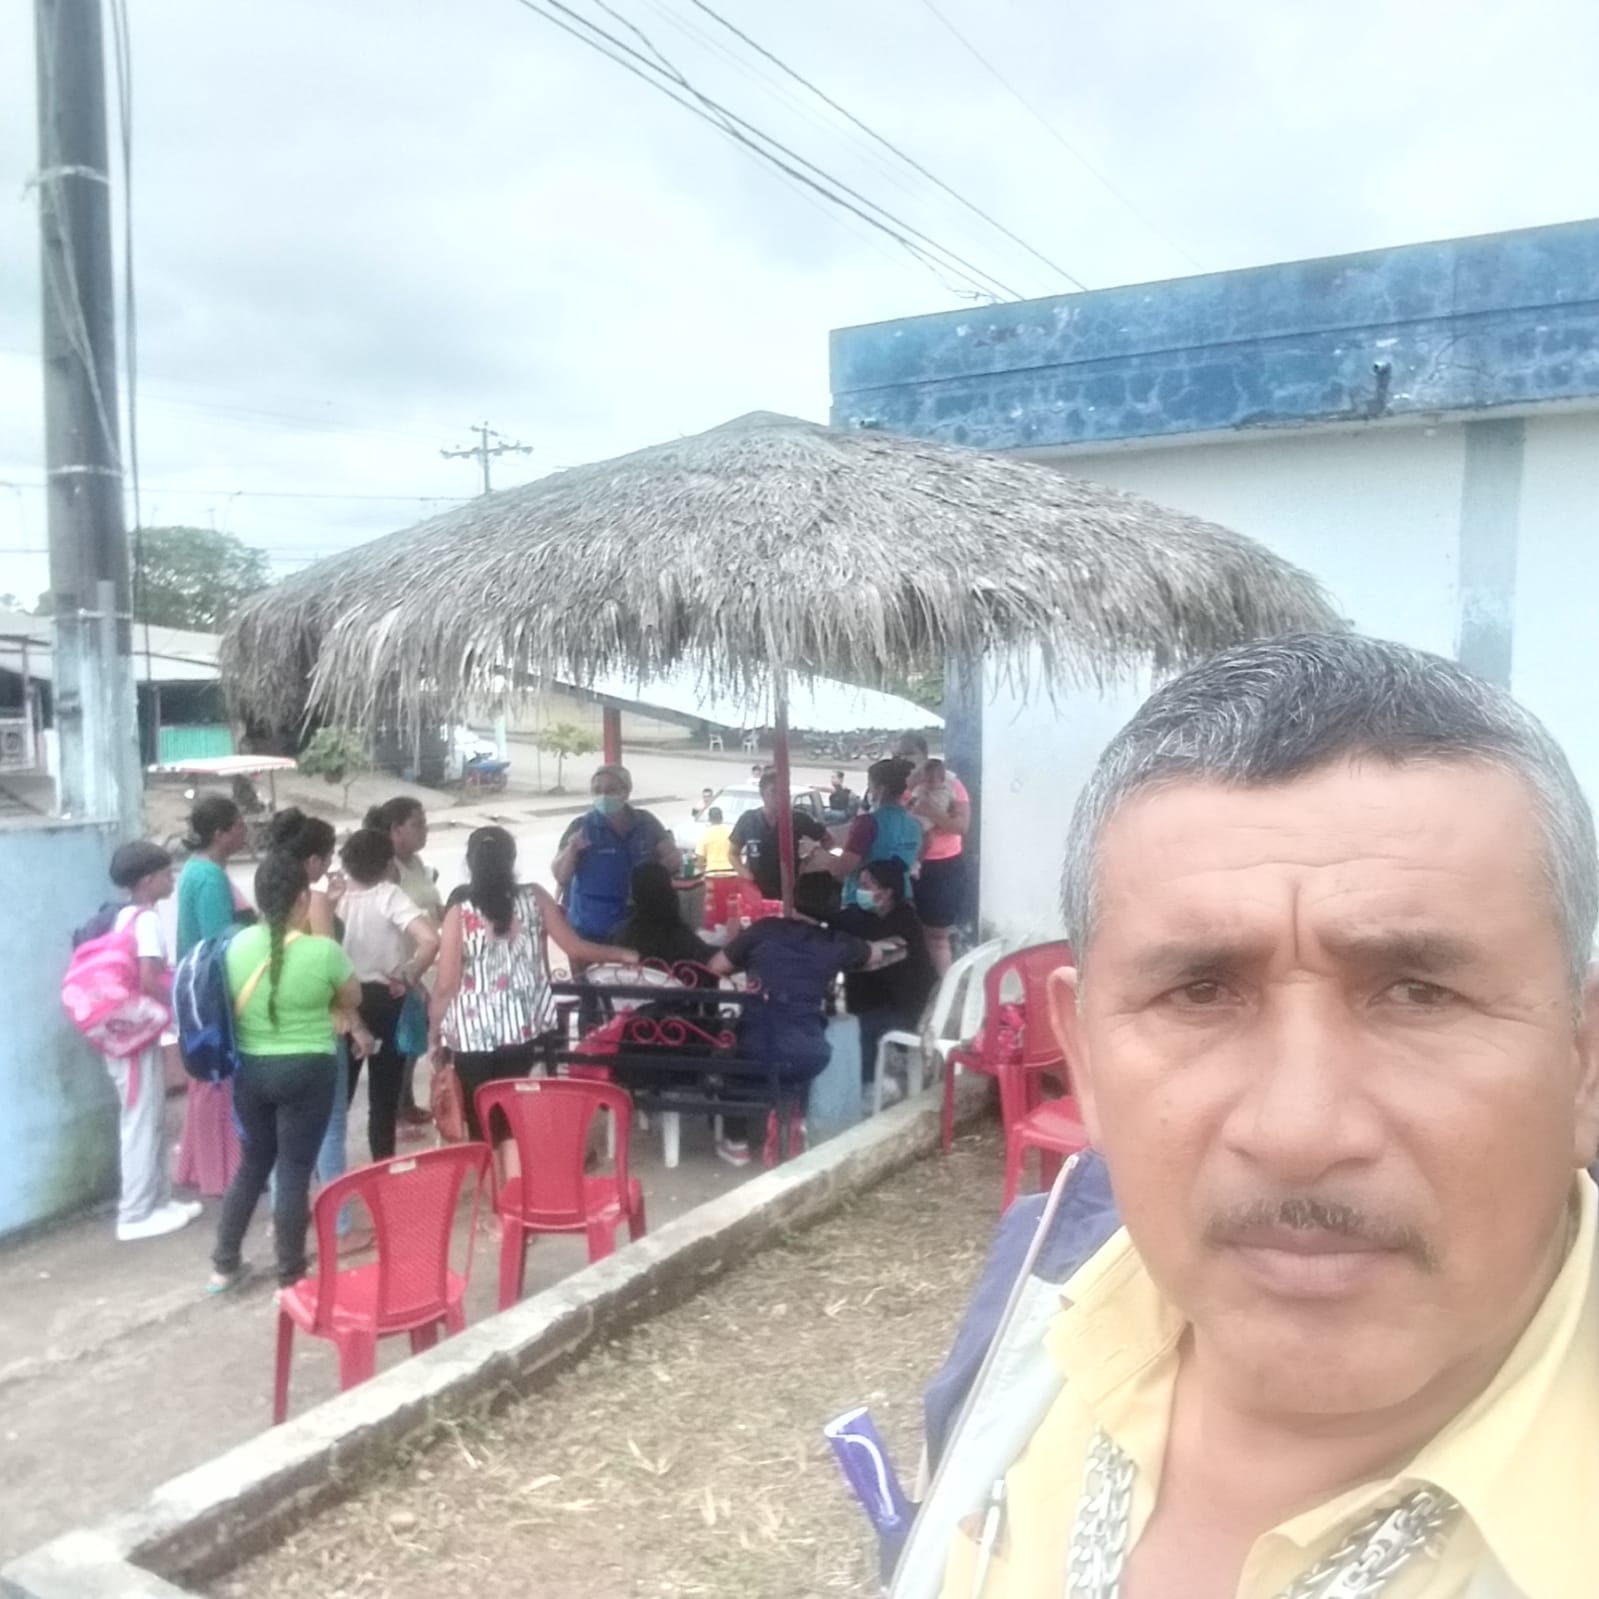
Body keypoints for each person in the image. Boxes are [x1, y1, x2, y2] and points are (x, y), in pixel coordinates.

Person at [900, 633, 1599, 1599]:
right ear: (1086, 1060)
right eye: (1198, 993)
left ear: (1582, 1062)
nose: (1297, 1131)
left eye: (1418, 993)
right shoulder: (1033, 1295)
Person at [208, 854, 361, 1293]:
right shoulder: (323, 951)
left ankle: (224, 1265)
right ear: (302, 900)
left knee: (253, 1164)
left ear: (259, 899)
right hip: (308, 1071)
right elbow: (352, 998)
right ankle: (290, 1279)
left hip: (251, 1071)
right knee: (294, 1170)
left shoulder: (235, 946)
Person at [432, 826, 638, 1141]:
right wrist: (621, 953)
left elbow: (446, 985)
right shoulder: (536, 898)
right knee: (510, 1120)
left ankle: (491, 1172)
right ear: (512, 860)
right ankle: (513, 1171)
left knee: (481, 1124)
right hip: (521, 1027)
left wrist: (434, 1033)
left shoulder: (459, 913)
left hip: (471, 1035)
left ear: (470, 862)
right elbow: (575, 947)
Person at [707, 872, 903, 1166]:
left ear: (794, 898)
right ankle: (794, 1119)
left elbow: (715, 966)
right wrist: (891, 943)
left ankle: (737, 1142)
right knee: (791, 1060)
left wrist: (750, 965)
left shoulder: (764, 930)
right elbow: (878, 954)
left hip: (756, 1044)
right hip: (809, 1051)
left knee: (730, 1056)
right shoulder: (836, 943)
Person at [264, 809, 374, 1252]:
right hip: (322, 1029)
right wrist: (357, 1026)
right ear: (311, 860)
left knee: (283, 1136)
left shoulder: (271, 900)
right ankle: (340, 1226)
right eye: (326, 858)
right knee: (329, 1130)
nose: (329, 866)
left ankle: (283, 1221)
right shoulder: (314, 901)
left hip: (277, 1030)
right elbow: (330, 969)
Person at [99, 842, 203, 1242]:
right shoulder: (145, 921)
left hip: (129, 1034)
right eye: (165, 874)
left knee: (150, 1118)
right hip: (134, 1039)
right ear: (147, 881)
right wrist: (176, 1008)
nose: (171, 879)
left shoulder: (123, 916)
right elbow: (148, 979)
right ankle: (135, 1213)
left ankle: (157, 1201)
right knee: (141, 1122)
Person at [338, 827, 440, 1161]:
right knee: (384, 1096)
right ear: (387, 865)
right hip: (387, 998)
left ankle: (328, 1170)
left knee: (340, 1095)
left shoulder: (333, 897)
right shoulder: (388, 895)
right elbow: (430, 940)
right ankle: (384, 1168)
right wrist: (409, 974)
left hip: (345, 1002)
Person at [174, 794, 251, 1197]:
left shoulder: (199, 869)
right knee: (218, 1081)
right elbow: (220, 940)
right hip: (209, 991)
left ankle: (205, 1166)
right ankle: (221, 1172)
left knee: (208, 1083)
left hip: (196, 986)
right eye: (238, 825)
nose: (244, 831)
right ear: (221, 833)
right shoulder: (208, 877)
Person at [828, 857, 936, 1099]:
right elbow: (843, 922)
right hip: (890, 1001)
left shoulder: (904, 921)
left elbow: (873, 960)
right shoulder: (873, 915)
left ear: (886, 893)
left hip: (909, 1009)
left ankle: (867, 1087)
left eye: (866, 886)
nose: (860, 891)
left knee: (858, 1025)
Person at [367, 796, 440, 1130]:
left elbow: (431, 905)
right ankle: (398, 1103)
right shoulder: (387, 869)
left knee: (414, 1033)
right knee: (405, 1035)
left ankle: (403, 1099)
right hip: (402, 965)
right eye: (417, 824)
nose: (425, 830)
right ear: (396, 830)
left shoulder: (416, 863)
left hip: (425, 959)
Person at [551, 764, 681, 942]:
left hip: (638, 925)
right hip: (592, 928)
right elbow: (561, 876)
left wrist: (672, 860)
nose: (603, 796)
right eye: (597, 791)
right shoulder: (581, 826)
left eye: (611, 790)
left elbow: (671, 857)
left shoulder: (646, 822)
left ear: (626, 792)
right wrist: (572, 850)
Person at [899, 734, 970, 977]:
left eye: (908, 753)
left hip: (942, 867)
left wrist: (930, 812)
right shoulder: (895, 783)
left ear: (924, 755)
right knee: (907, 931)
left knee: (938, 936)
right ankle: (918, 985)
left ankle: (943, 989)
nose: (903, 758)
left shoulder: (949, 783)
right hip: (902, 864)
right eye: (898, 754)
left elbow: (961, 826)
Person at [816, 758, 922, 900]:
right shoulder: (915, 824)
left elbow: (845, 867)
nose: (869, 791)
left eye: (870, 785)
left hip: (868, 900)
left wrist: (823, 858)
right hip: (901, 897)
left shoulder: (867, 822)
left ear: (881, 789)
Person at [730, 768, 831, 902]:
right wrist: (746, 875)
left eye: (784, 792)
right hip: (757, 891)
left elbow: (828, 840)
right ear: (762, 793)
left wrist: (810, 858)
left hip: (790, 891)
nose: (779, 797)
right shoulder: (749, 819)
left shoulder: (797, 818)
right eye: (774, 791)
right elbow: (732, 853)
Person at [700, 806, 736, 877]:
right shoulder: (730, 832)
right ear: (722, 818)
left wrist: (702, 871)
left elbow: (700, 855)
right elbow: (736, 852)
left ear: (709, 819)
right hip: (731, 871)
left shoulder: (705, 834)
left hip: (712, 872)